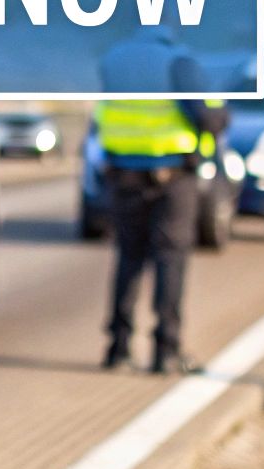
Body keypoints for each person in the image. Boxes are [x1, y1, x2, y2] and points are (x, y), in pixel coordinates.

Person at [95, 28, 230, 374]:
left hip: (122, 172)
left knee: (128, 260)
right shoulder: (178, 61)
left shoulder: (114, 59)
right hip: (171, 176)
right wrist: (221, 116)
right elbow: (204, 117)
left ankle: (118, 348)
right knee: (170, 261)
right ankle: (165, 351)